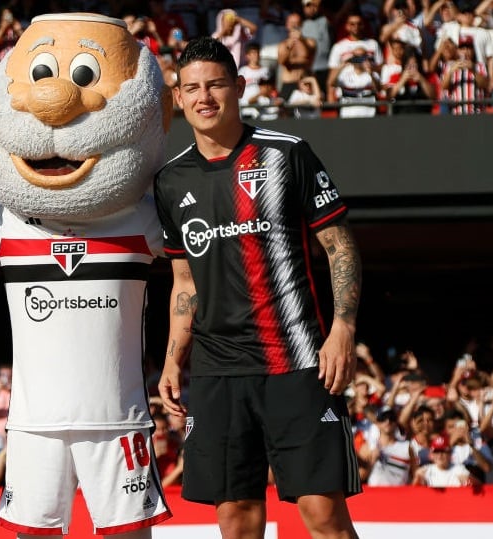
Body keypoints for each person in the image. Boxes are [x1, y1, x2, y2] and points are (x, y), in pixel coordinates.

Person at [0, 12, 172, 537]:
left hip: (119, 420)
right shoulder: (0, 219)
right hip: (33, 422)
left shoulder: (145, 215)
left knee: (130, 535)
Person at [155, 36, 362, 539]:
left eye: (216, 84)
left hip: (296, 362)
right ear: (178, 98)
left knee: (322, 513)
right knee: (236, 518)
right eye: (192, 88)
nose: (204, 97)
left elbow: (340, 247)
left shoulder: (288, 154)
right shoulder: (169, 181)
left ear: (240, 87)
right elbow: (185, 281)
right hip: (217, 370)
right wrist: (171, 357)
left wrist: (343, 327)